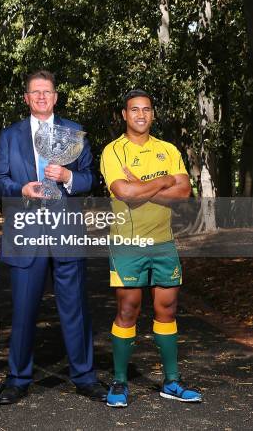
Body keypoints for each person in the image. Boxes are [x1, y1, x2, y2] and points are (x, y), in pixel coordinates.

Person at [0, 70, 107, 405]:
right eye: (35, 92)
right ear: (26, 98)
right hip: (26, 231)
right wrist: (21, 188)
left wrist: (70, 176)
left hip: (66, 232)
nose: (42, 97)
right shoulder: (10, 135)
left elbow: (91, 179)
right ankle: (17, 378)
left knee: (75, 308)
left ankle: (85, 377)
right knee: (23, 310)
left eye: (47, 92)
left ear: (56, 97)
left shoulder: (73, 132)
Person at [100, 89, 202, 407]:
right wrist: (162, 182)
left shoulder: (168, 150)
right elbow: (125, 193)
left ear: (152, 114)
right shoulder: (113, 151)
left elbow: (184, 192)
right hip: (128, 243)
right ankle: (119, 383)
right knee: (128, 309)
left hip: (163, 242)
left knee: (167, 309)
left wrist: (143, 185)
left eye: (146, 109)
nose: (141, 115)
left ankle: (171, 382)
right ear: (124, 115)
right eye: (134, 110)